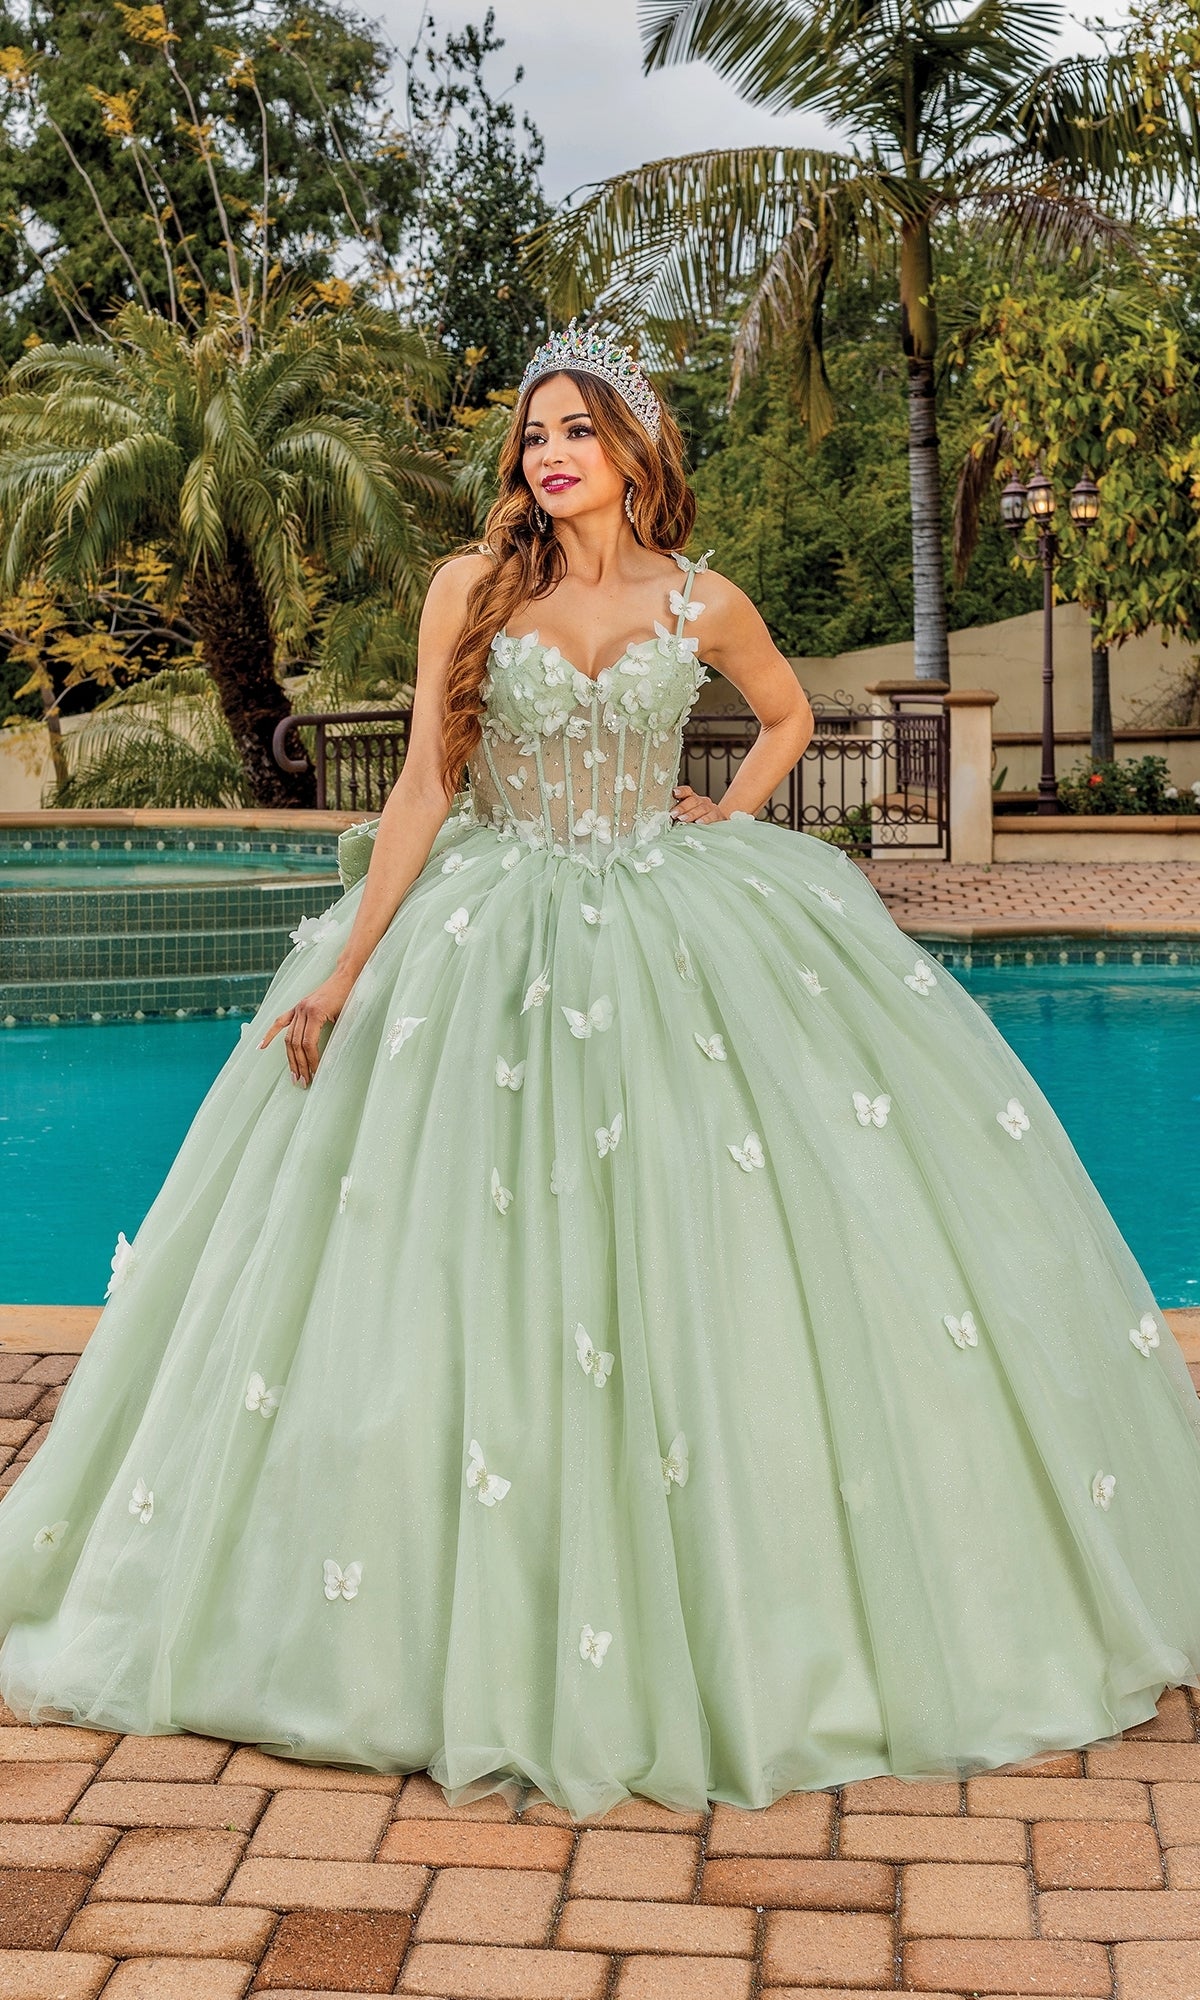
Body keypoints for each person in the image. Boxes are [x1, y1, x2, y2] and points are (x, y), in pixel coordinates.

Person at [0, 323, 1198, 1823]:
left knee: (700, 1263)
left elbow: (789, 717)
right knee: (463, 1266)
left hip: (669, 927)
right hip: (485, 938)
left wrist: (733, 814)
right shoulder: (470, 588)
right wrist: (349, 969)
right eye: (535, 435)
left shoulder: (703, 599)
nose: (550, 455)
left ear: (635, 453)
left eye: (577, 431)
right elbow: (430, 782)